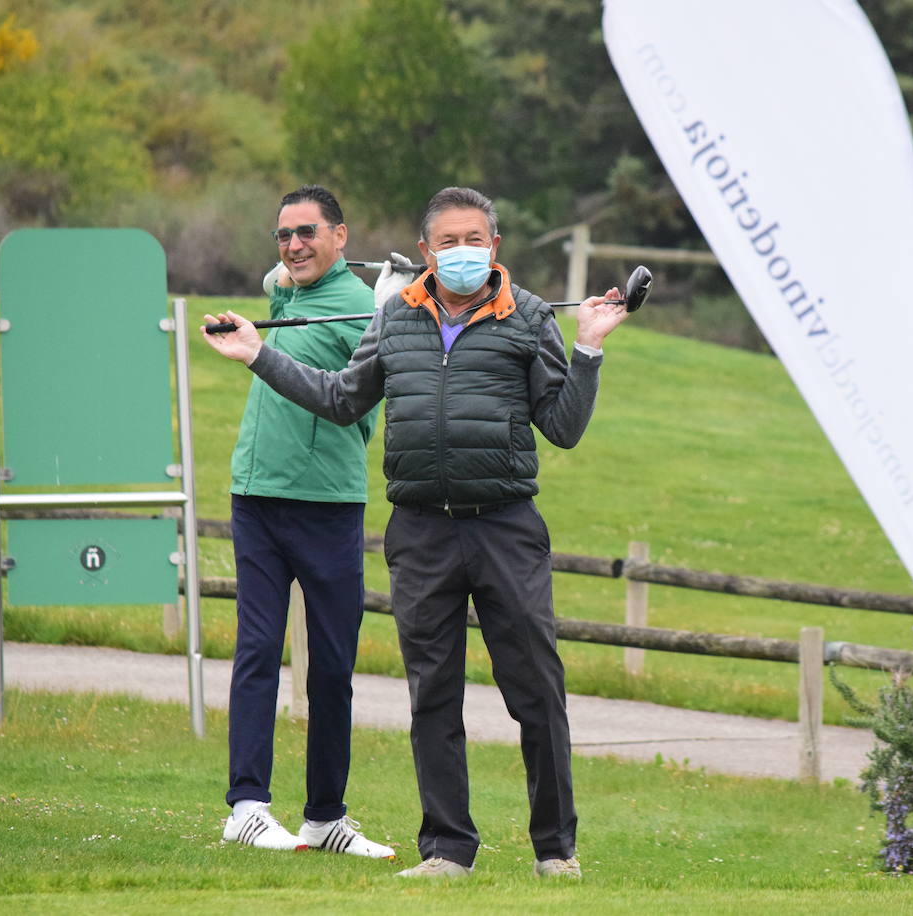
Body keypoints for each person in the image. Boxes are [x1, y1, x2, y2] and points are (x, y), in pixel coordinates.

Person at [202, 186, 631, 880]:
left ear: (494, 247)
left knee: (535, 691)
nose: (463, 251)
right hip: (421, 533)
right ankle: (447, 851)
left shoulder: (525, 318)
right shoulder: (396, 319)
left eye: (476, 239)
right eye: (449, 241)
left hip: (506, 528)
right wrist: (259, 355)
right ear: (426, 251)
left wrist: (587, 349)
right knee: (433, 695)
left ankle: (556, 848)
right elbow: (342, 399)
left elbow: (564, 427)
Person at [219, 184, 403, 857]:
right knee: (259, 648)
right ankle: (246, 806)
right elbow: (278, 278)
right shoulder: (287, 293)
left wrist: (260, 352)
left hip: (328, 503)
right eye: (284, 234)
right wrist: (283, 274)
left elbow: (345, 404)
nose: (293, 245)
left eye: (307, 233)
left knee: (330, 665)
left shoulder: (365, 311)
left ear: (342, 236)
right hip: (257, 495)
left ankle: (325, 817)